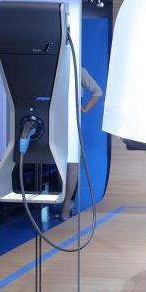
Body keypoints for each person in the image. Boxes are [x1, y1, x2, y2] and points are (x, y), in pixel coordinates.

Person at [59, 67, 103, 221]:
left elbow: (98, 91)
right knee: (60, 162)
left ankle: (67, 203)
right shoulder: (55, 67)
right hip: (55, 119)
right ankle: (64, 202)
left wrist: (84, 109)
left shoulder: (80, 70)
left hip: (72, 122)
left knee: (72, 163)